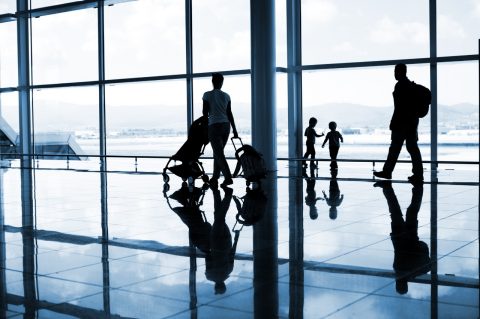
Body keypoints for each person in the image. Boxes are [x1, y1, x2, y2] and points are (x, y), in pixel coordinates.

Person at [374, 180, 430, 294]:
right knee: (396, 212)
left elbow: (428, 264)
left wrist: (420, 248)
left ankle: (418, 188)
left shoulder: (415, 273)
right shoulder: (398, 271)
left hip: (411, 238)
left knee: (411, 212)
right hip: (399, 236)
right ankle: (387, 188)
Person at [374, 63, 424, 184]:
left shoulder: (401, 86)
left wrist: (393, 122)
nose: (394, 74)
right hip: (411, 123)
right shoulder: (410, 86)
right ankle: (417, 174)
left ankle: (388, 171)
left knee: (395, 148)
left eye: (396, 71)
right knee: (412, 148)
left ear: (401, 72)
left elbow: (399, 108)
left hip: (402, 123)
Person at [203, 73, 238, 188]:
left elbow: (204, 112)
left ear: (212, 82)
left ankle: (228, 177)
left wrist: (204, 124)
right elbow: (230, 113)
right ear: (222, 82)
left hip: (214, 126)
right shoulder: (227, 96)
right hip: (226, 126)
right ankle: (215, 177)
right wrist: (235, 129)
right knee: (218, 153)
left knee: (219, 153)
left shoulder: (207, 95)